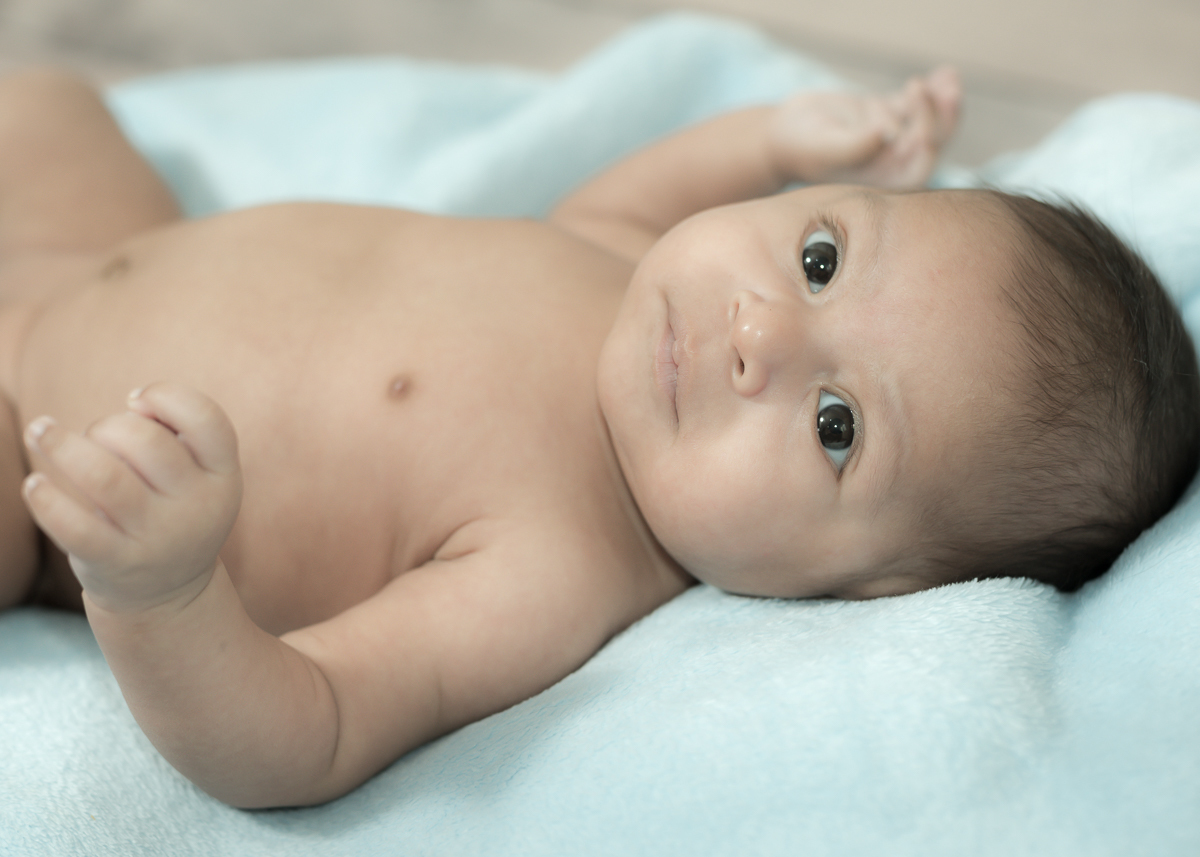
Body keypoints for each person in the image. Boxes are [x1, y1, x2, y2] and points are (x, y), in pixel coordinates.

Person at [0, 65, 1194, 809]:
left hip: (35, 457)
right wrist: (777, 139)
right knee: (47, 106)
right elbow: (618, 204)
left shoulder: (557, 563)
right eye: (820, 256)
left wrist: (161, 587)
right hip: (88, 249)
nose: (759, 330)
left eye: (836, 426)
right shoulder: (630, 270)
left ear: (863, 592)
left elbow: (307, 730)